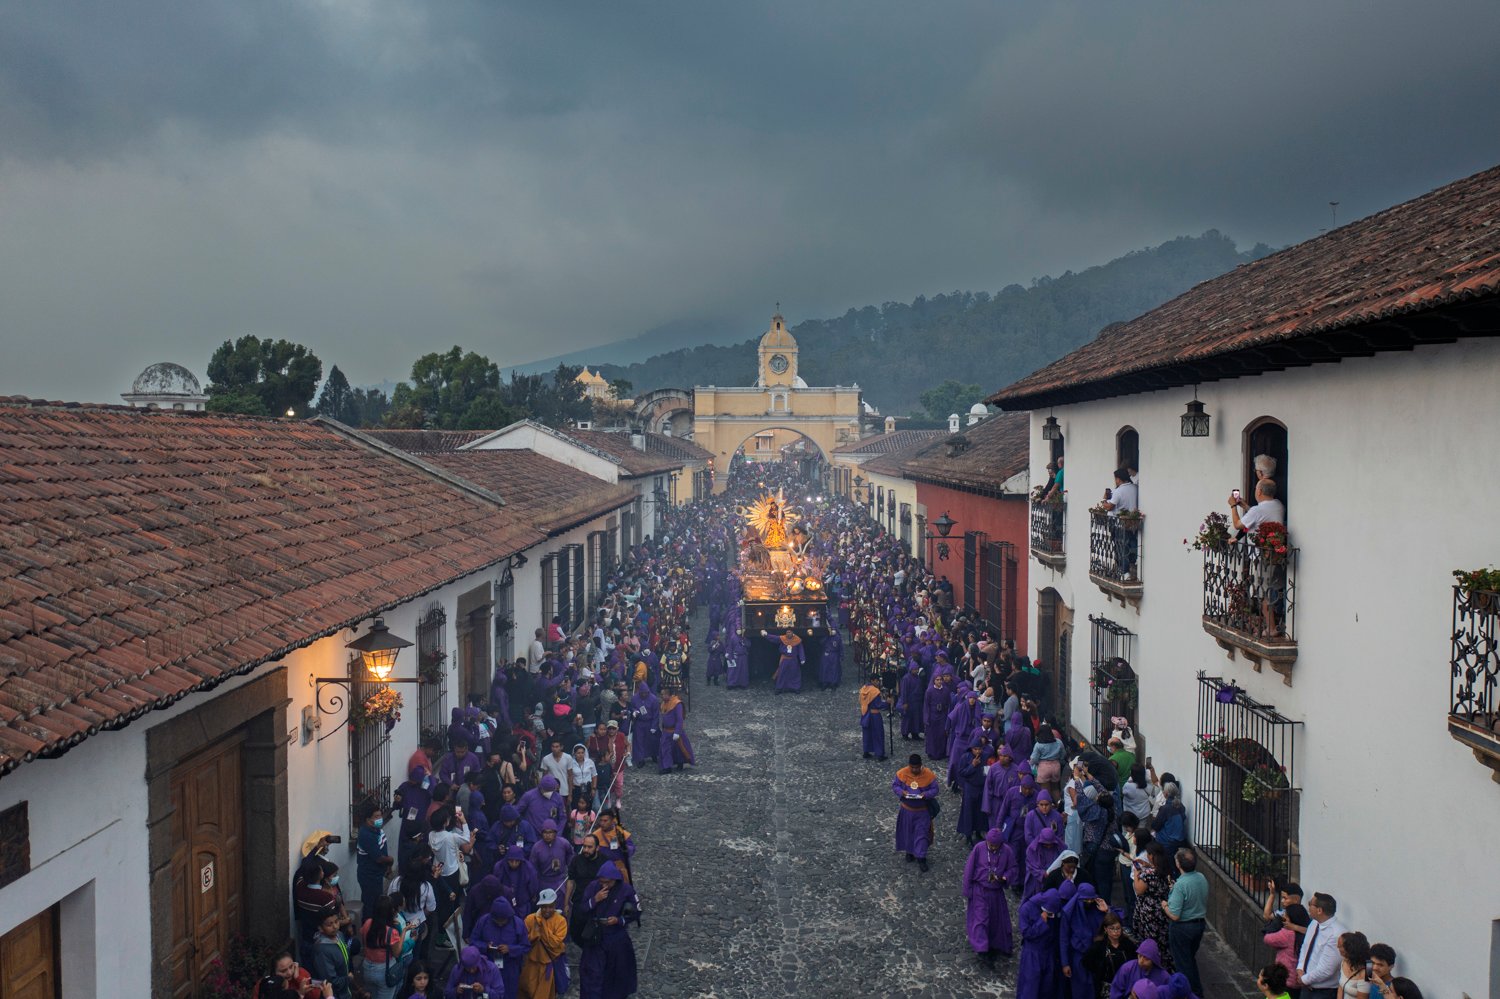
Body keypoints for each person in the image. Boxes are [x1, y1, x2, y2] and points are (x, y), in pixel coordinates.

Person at [577, 861, 640, 998]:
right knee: (593, 975)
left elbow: (636, 911)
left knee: (616, 976)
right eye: (602, 882)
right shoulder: (593, 887)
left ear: (614, 879)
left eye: (607, 883)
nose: (604, 885)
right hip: (596, 939)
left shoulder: (626, 890)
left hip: (616, 939)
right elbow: (582, 908)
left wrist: (619, 920)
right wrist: (595, 899)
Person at [962, 828, 1014, 966]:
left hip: (996, 892)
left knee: (996, 920)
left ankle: (996, 944)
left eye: (995, 846)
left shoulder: (1007, 851)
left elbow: (1013, 868)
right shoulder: (979, 848)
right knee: (980, 919)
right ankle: (982, 949)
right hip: (980, 890)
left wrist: (1006, 877)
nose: (993, 848)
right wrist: (967, 890)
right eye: (991, 845)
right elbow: (969, 869)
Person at [1163, 848, 1207, 997]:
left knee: (1183, 964)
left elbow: (1174, 915)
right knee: (1189, 960)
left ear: (1178, 864)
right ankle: (1197, 991)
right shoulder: (1201, 877)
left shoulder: (1181, 885)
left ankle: (1189, 994)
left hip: (1182, 928)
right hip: (1199, 925)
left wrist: (1165, 906)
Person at [468, 896, 529, 999]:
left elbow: (526, 946)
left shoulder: (518, 923)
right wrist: (485, 946)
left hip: (510, 969)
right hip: (487, 968)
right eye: (497, 921)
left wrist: (510, 949)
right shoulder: (483, 921)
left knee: (509, 995)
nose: (500, 923)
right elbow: (473, 942)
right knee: (488, 994)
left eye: (503, 921)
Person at [518, 889, 570, 999]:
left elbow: (554, 943)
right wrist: (535, 933)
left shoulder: (561, 921)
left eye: (550, 906)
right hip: (531, 963)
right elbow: (524, 941)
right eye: (544, 907)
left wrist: (542, 926)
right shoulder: (530, 919)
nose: (547, 910)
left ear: (555, 905)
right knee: (526, 992)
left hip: (548, 964)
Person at [892, 753, 939, 872]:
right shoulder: (902, 773)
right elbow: (895, 786)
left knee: (922, 834)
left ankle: (921, 857)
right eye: (912, 767)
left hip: (922, 812)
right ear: (909, 765)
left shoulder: (929, 775)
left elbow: (935, 789)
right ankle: (909, 852)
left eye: (917, 768)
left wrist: (926, 794)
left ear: (921, 765)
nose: (914, 770)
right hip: (907, 810)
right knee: (908, 832)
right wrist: (902, 792)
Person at [360, 895, 413, 999]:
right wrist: (403, 932)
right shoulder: (391, 932)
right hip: (383, 971)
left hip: (367, 967)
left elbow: (364, 941)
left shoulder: (367, 923)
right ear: (391, 912)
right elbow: (397, 952)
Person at [1296, 892, 1346, 999]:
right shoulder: (1314, 923)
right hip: (1306, 986)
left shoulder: (1336, 934)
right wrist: (1300, 968)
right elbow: (1305, 947)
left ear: (1319, 910)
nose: (1308, 906)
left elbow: (1327, 969)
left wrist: (1304, 979)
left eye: (1310, 904)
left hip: (1323, 992)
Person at [1131, 843, 1174, 967]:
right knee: (1161, 940)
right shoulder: (1166, 870)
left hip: (1148, 912)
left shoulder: (1149, 874)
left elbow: (1139, 890)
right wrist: (1148, 866)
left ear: (1151, 856)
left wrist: (1136, 874)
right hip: (1162, 909)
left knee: (1149, 941)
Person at [1016, 889, 1064, 999]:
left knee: (1046, 986)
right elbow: (1026, 933)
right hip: (1032, 953)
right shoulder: (1026, 909)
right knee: (1030, 985)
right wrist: (1041, 922)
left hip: (1048, 951)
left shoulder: (1055, 909)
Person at [1083, 915, 1138, 999]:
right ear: (1105, 929)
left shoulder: (1128, 944)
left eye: (1118, 928)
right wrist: (1099, 970)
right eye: (1112, 928)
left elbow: (1135, 962)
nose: (1115, 932)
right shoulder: (1099, 946)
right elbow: (1086, 961)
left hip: (1126, 986)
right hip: (1107, 987)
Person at [308, 912, 361, 999]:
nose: (335, 926)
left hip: (346, 990)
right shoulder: (321, 950)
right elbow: (331, 981)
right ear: (320, 928)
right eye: (330, 924)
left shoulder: (339, 935)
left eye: (336, 921)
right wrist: (348, 979)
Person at [657, 687, 695, 773]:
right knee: (665, 748)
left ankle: (680, 762)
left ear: (668, 694)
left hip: (675, 731)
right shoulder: (663, 703)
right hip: (666, 731)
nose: (661, 696)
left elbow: (679, 719)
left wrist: (677, 732)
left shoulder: (677, 704)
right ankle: (667, 767)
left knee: (678, 749)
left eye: (663, 694)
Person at [762, 629, 805, 693]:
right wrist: (766, 634)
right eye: (787, 632)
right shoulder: (783, 638)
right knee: (782, 673)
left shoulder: (797, 640)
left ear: (793, 633)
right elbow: (774, 638)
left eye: (790, 632)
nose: (788, 633)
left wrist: (802, 659)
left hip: (793, 660)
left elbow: (801, 650)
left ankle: (795, 687)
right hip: (784, 659)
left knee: (794, 674)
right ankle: (779, 688)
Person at [859, 675, 889, 761]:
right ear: (873, 681)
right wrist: (887, 703)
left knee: (867, 733)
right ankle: (879, 754)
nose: (878, 682)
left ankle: (866, 751)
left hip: (865, 713)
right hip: (875, 715)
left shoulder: (863, 689)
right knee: (878, 734)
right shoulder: (875, 691)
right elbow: (878, 705)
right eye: (877, 681)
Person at [1338, 931, 1373, 998]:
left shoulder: (1368, 969)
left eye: (1340, 946)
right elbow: (1341, 987)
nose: (1337, 947)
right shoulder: (1345, 961)